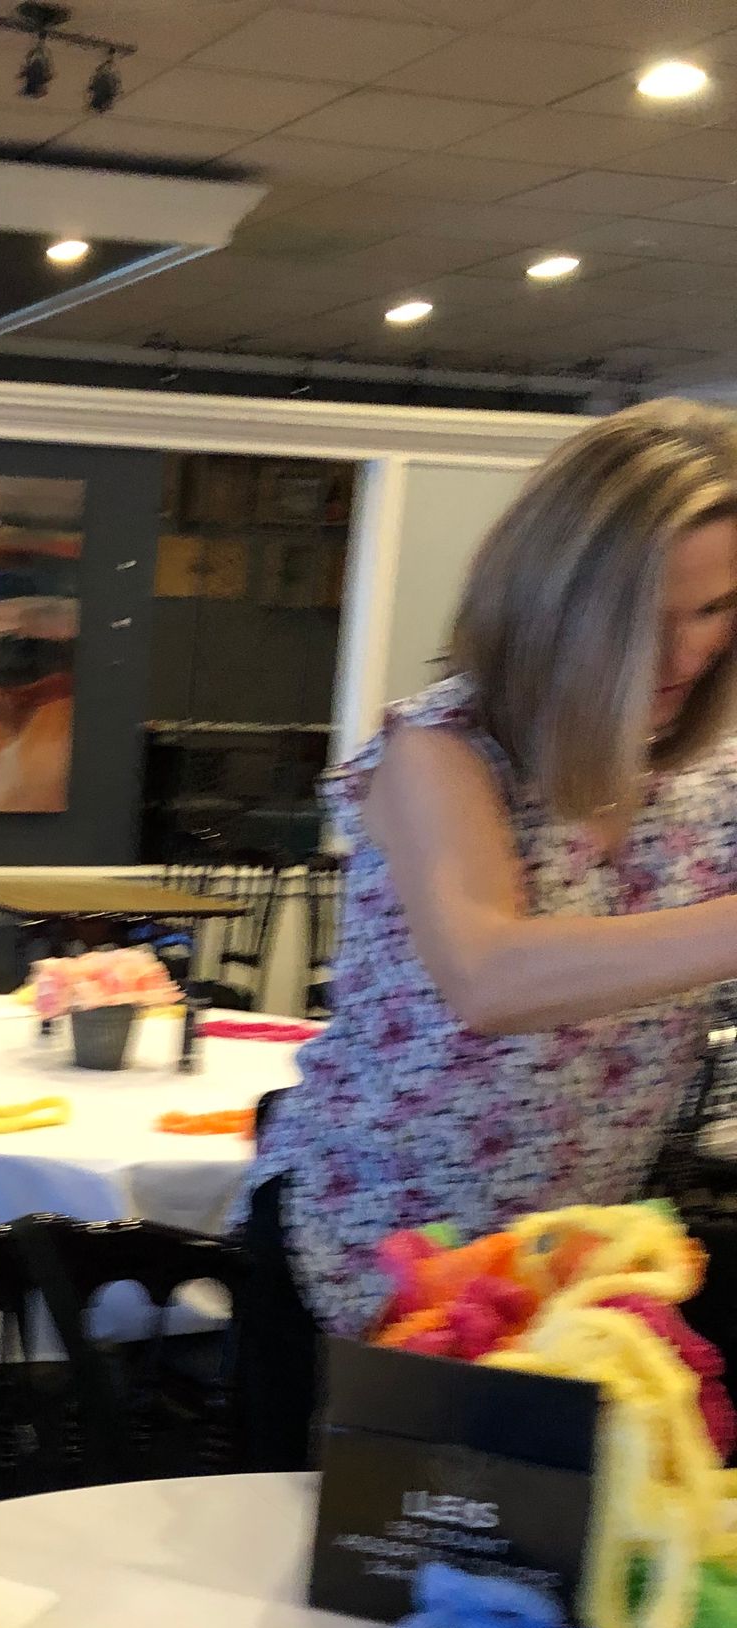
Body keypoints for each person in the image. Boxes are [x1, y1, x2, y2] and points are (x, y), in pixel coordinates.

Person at [244, 399, 737, 1466]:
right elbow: (488, 972)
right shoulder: (444, 749)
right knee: (326, 1611)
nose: (686, 650)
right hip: (366, 1267)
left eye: (716, 609)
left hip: (568, 1287)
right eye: (649, 613)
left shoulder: (709, 782)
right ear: (554, 596)